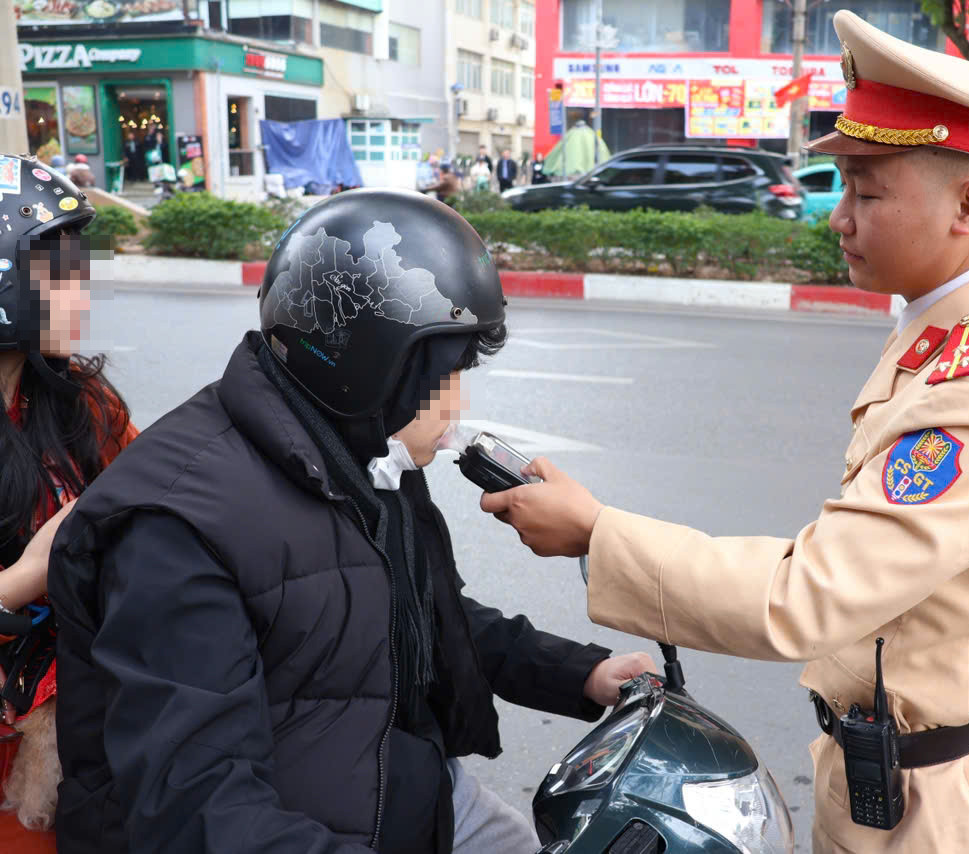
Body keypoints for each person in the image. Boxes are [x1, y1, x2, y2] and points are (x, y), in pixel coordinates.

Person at [481, 12, 969, 854]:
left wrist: (597, 534)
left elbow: (809, 594)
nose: (840, 218)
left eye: (867, 193)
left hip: (927, 809)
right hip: (905, 761)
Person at [47, 190, 654, 854]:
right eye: (445, 374)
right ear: (368, 367)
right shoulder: (178, 530)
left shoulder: (355, 453)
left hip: (403, 791)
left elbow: (413, 615)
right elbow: (200, 810)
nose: (458, 404)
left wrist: (580, 674)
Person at [0, 155, 137, 853]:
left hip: (88, 730)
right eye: (59, 274)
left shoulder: (85, 404)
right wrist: (30, 573)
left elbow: (156, 495)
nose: (82, 292)